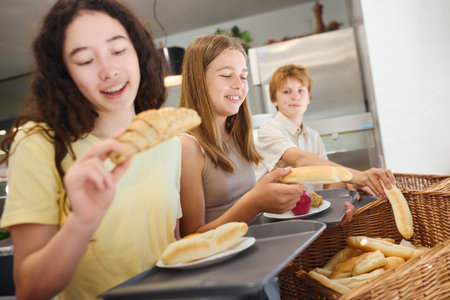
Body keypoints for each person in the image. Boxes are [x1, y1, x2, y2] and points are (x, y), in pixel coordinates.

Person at [0, 1, 182, 299]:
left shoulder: (166, 140)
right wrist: (83, 220)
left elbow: (170, 242)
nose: (109, 71)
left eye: (118, 50)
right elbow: (29, 289)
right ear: (64, 75)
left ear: (138, 51)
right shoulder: (38, 144)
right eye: (85, 60)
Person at [178, 34, 305, 237]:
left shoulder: (236, 136)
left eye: (243, 76)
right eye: (227, 75)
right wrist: (254, 202)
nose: (239, 85)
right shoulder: (187, 146)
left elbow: (247, 212)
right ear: (198, 80)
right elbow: (191, 238)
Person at [255, 64, 396, 196]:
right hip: (274, 215)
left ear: (308, 98)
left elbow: (327, 180)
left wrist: (348, 185)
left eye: (301, 90)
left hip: (309, 213)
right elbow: (299, 159)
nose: (295, 96)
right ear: (274, 100)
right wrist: (357, 177)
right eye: (287, 91)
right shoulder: (270, 128)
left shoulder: (313, 136)